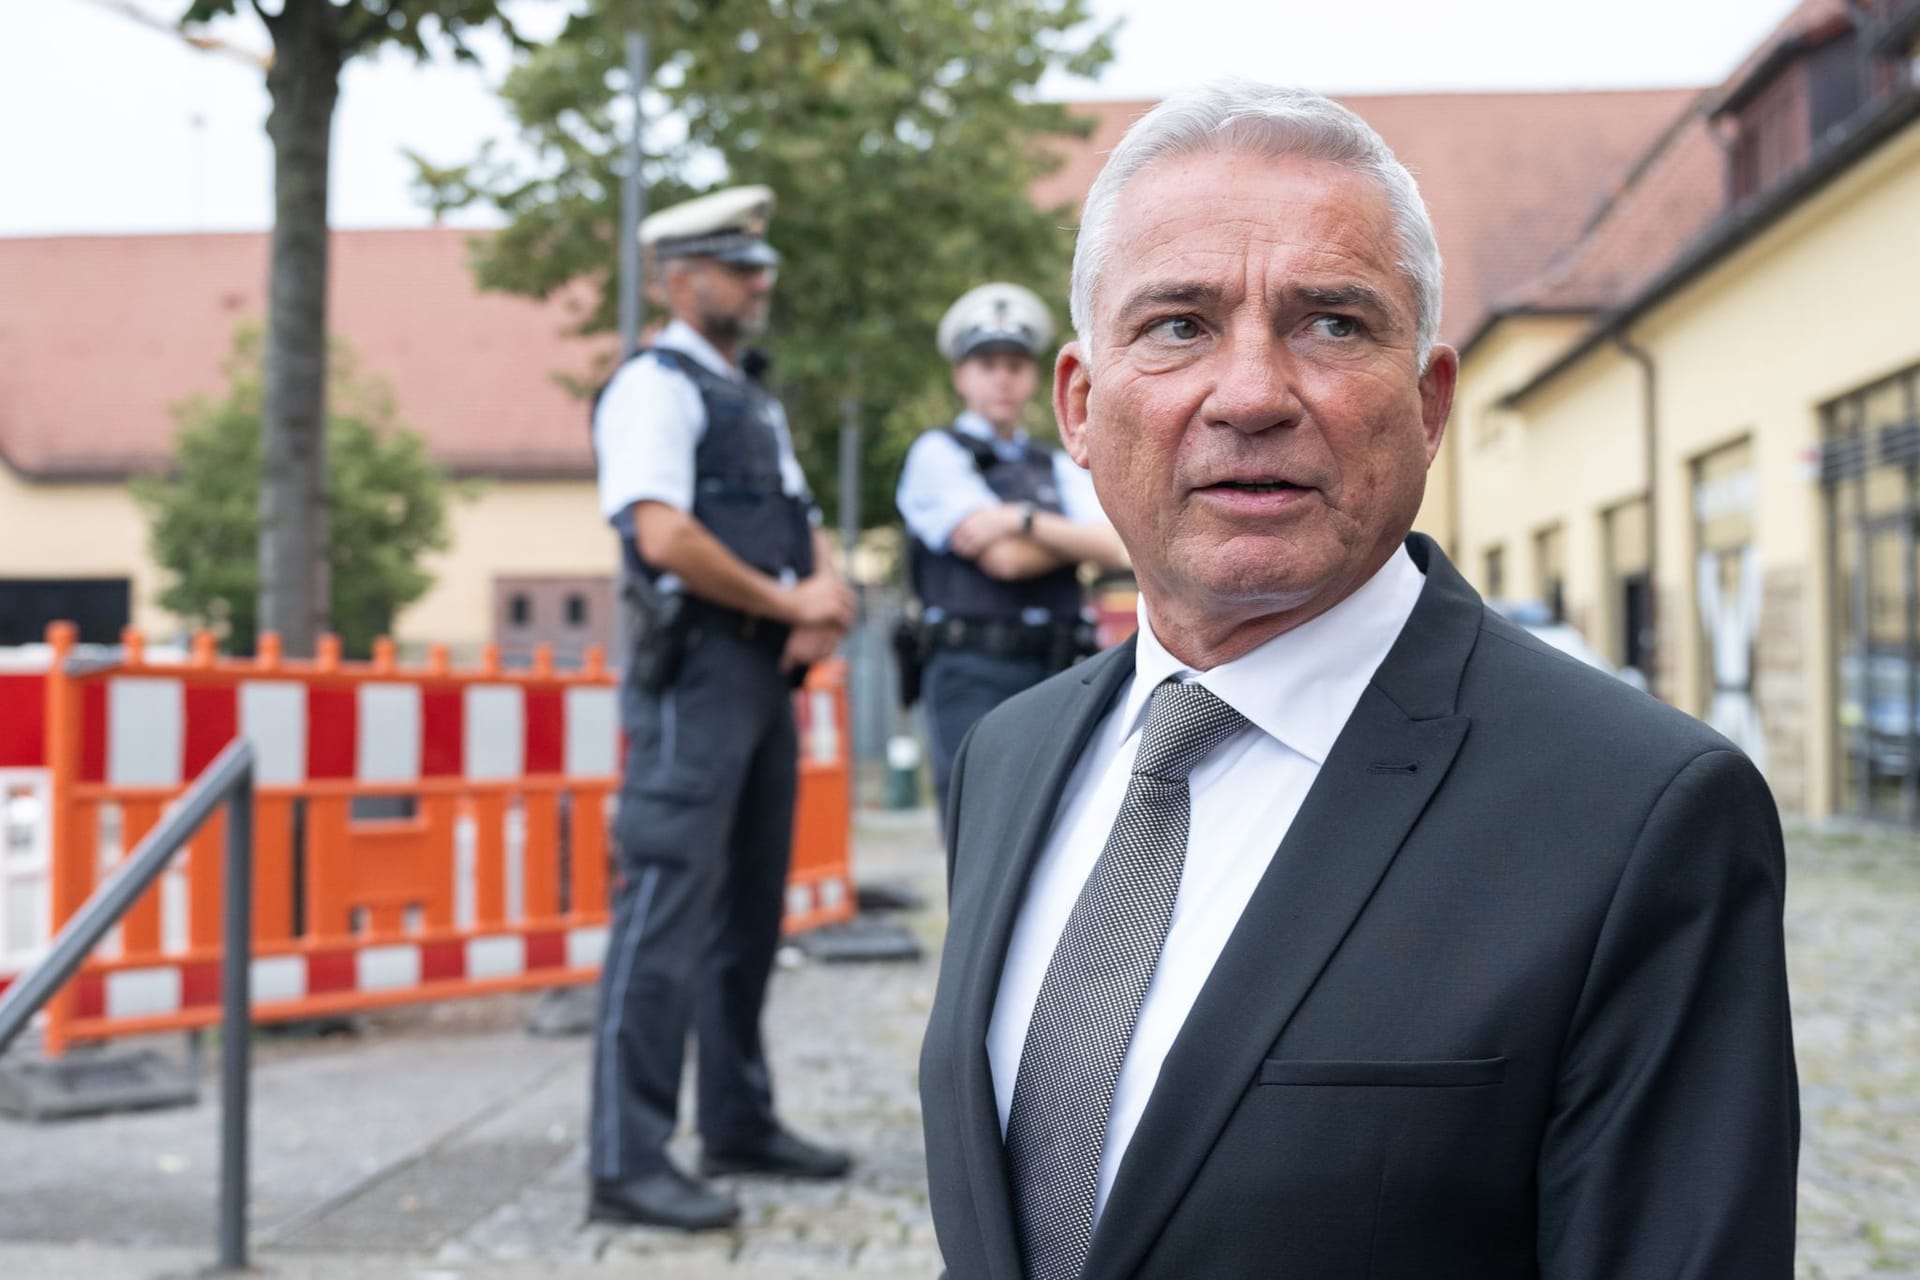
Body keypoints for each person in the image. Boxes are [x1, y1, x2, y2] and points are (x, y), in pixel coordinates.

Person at [919, 82, 1798, 1279]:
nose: (1251, 393)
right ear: (1080, 405)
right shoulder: (1008, 758)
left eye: (1331, 322)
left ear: (1429, 401)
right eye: (1178, 323)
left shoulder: (1639, 811)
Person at [587, 184, 858, 1232]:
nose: (761, 280)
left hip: (757, 675)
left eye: (761, 264)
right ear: (677, 276)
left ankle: (738, 1121)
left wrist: (824, 597)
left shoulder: (746, 393)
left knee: (748, 909)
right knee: (662, 911)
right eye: (739, 264)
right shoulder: (655, 387)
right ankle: (627, 1159)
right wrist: (789, 599)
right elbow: (663, 534)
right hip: (696, 673)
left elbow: (798, 514)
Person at [895, 282, 1128, 816]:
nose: (1003, 378)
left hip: (1058, 664)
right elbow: (1006, 561)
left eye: (1015, 365)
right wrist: (1071, 540)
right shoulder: (938, 454)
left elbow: (1119, 546)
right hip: (973, 667)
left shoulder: (1056, 461)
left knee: (1054, 826)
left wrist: (1019, 518)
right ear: (961, 376)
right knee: (981, 824)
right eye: (987, 364)